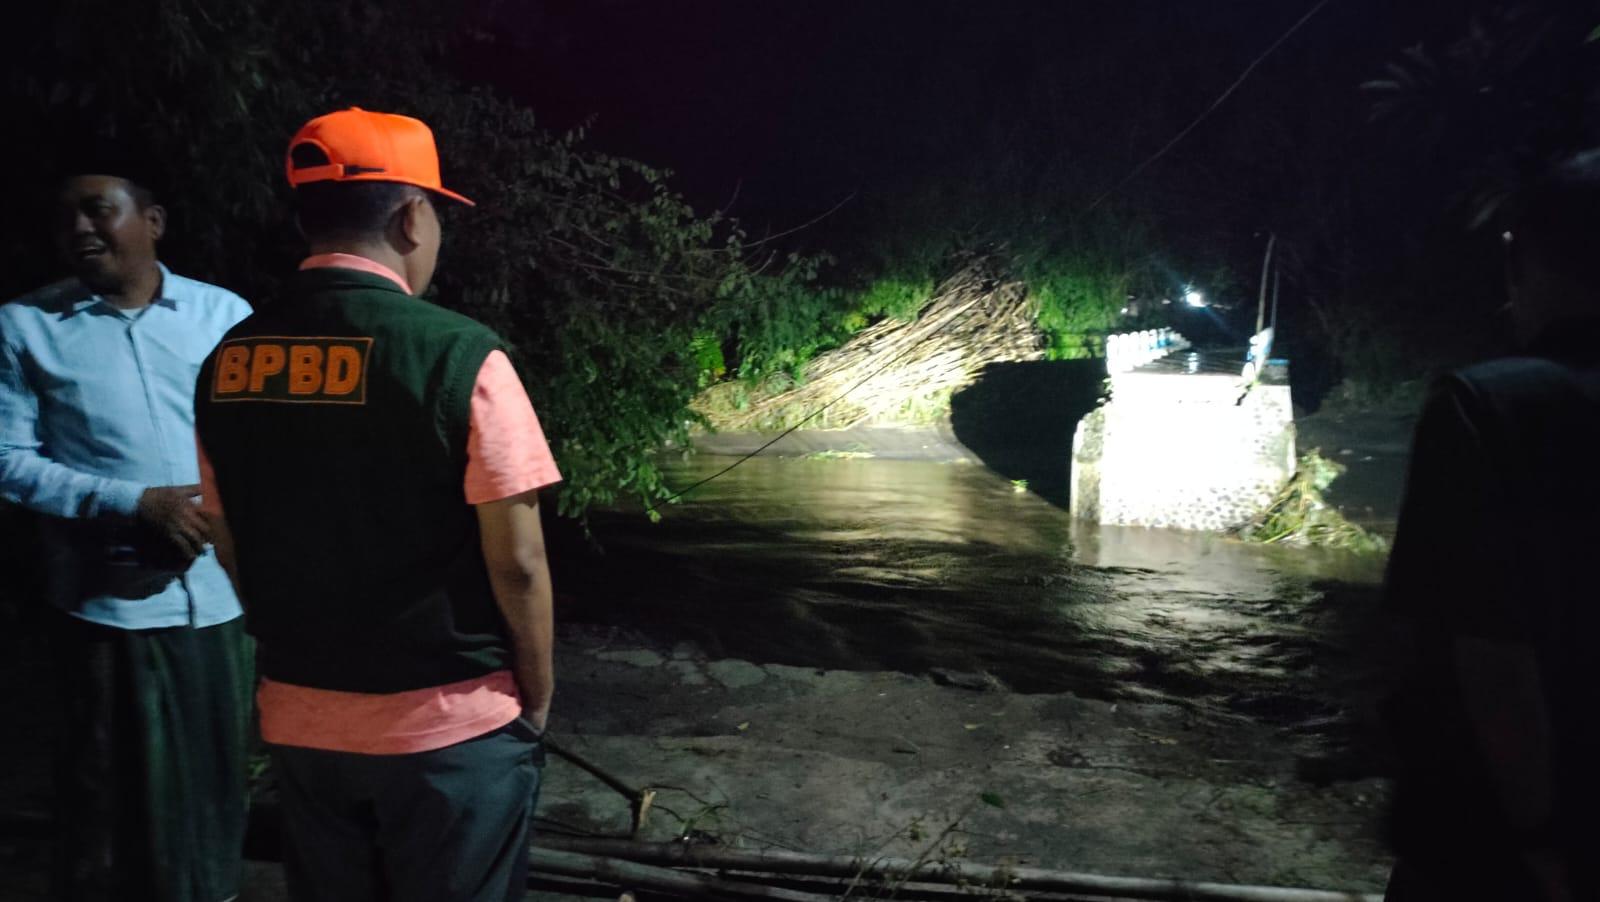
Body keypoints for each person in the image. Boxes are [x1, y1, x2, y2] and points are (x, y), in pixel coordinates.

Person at [194, 107, 561, 902]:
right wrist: (535, 695)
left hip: (301, 721)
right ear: (412, 217)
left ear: (307, 218)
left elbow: (227, 538)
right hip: (449, 729)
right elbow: (520, 563)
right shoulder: (460, 356)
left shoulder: (227, 360)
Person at [0, 162, 254, 901]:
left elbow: (261, 439)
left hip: (218, 599)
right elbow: (8, 458)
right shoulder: (26, 326)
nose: (79, 228)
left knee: (214, 789)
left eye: (97, 209)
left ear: (153, 222)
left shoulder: (223, 316)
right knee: (107, 793)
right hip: (104, 604)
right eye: (65, 218)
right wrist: (131, 502)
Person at [1383, 150, 1600, 902]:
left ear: (1518, 260)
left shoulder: (1487, 408)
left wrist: (1541, 843)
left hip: (1489, 847)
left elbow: (1490, 655)